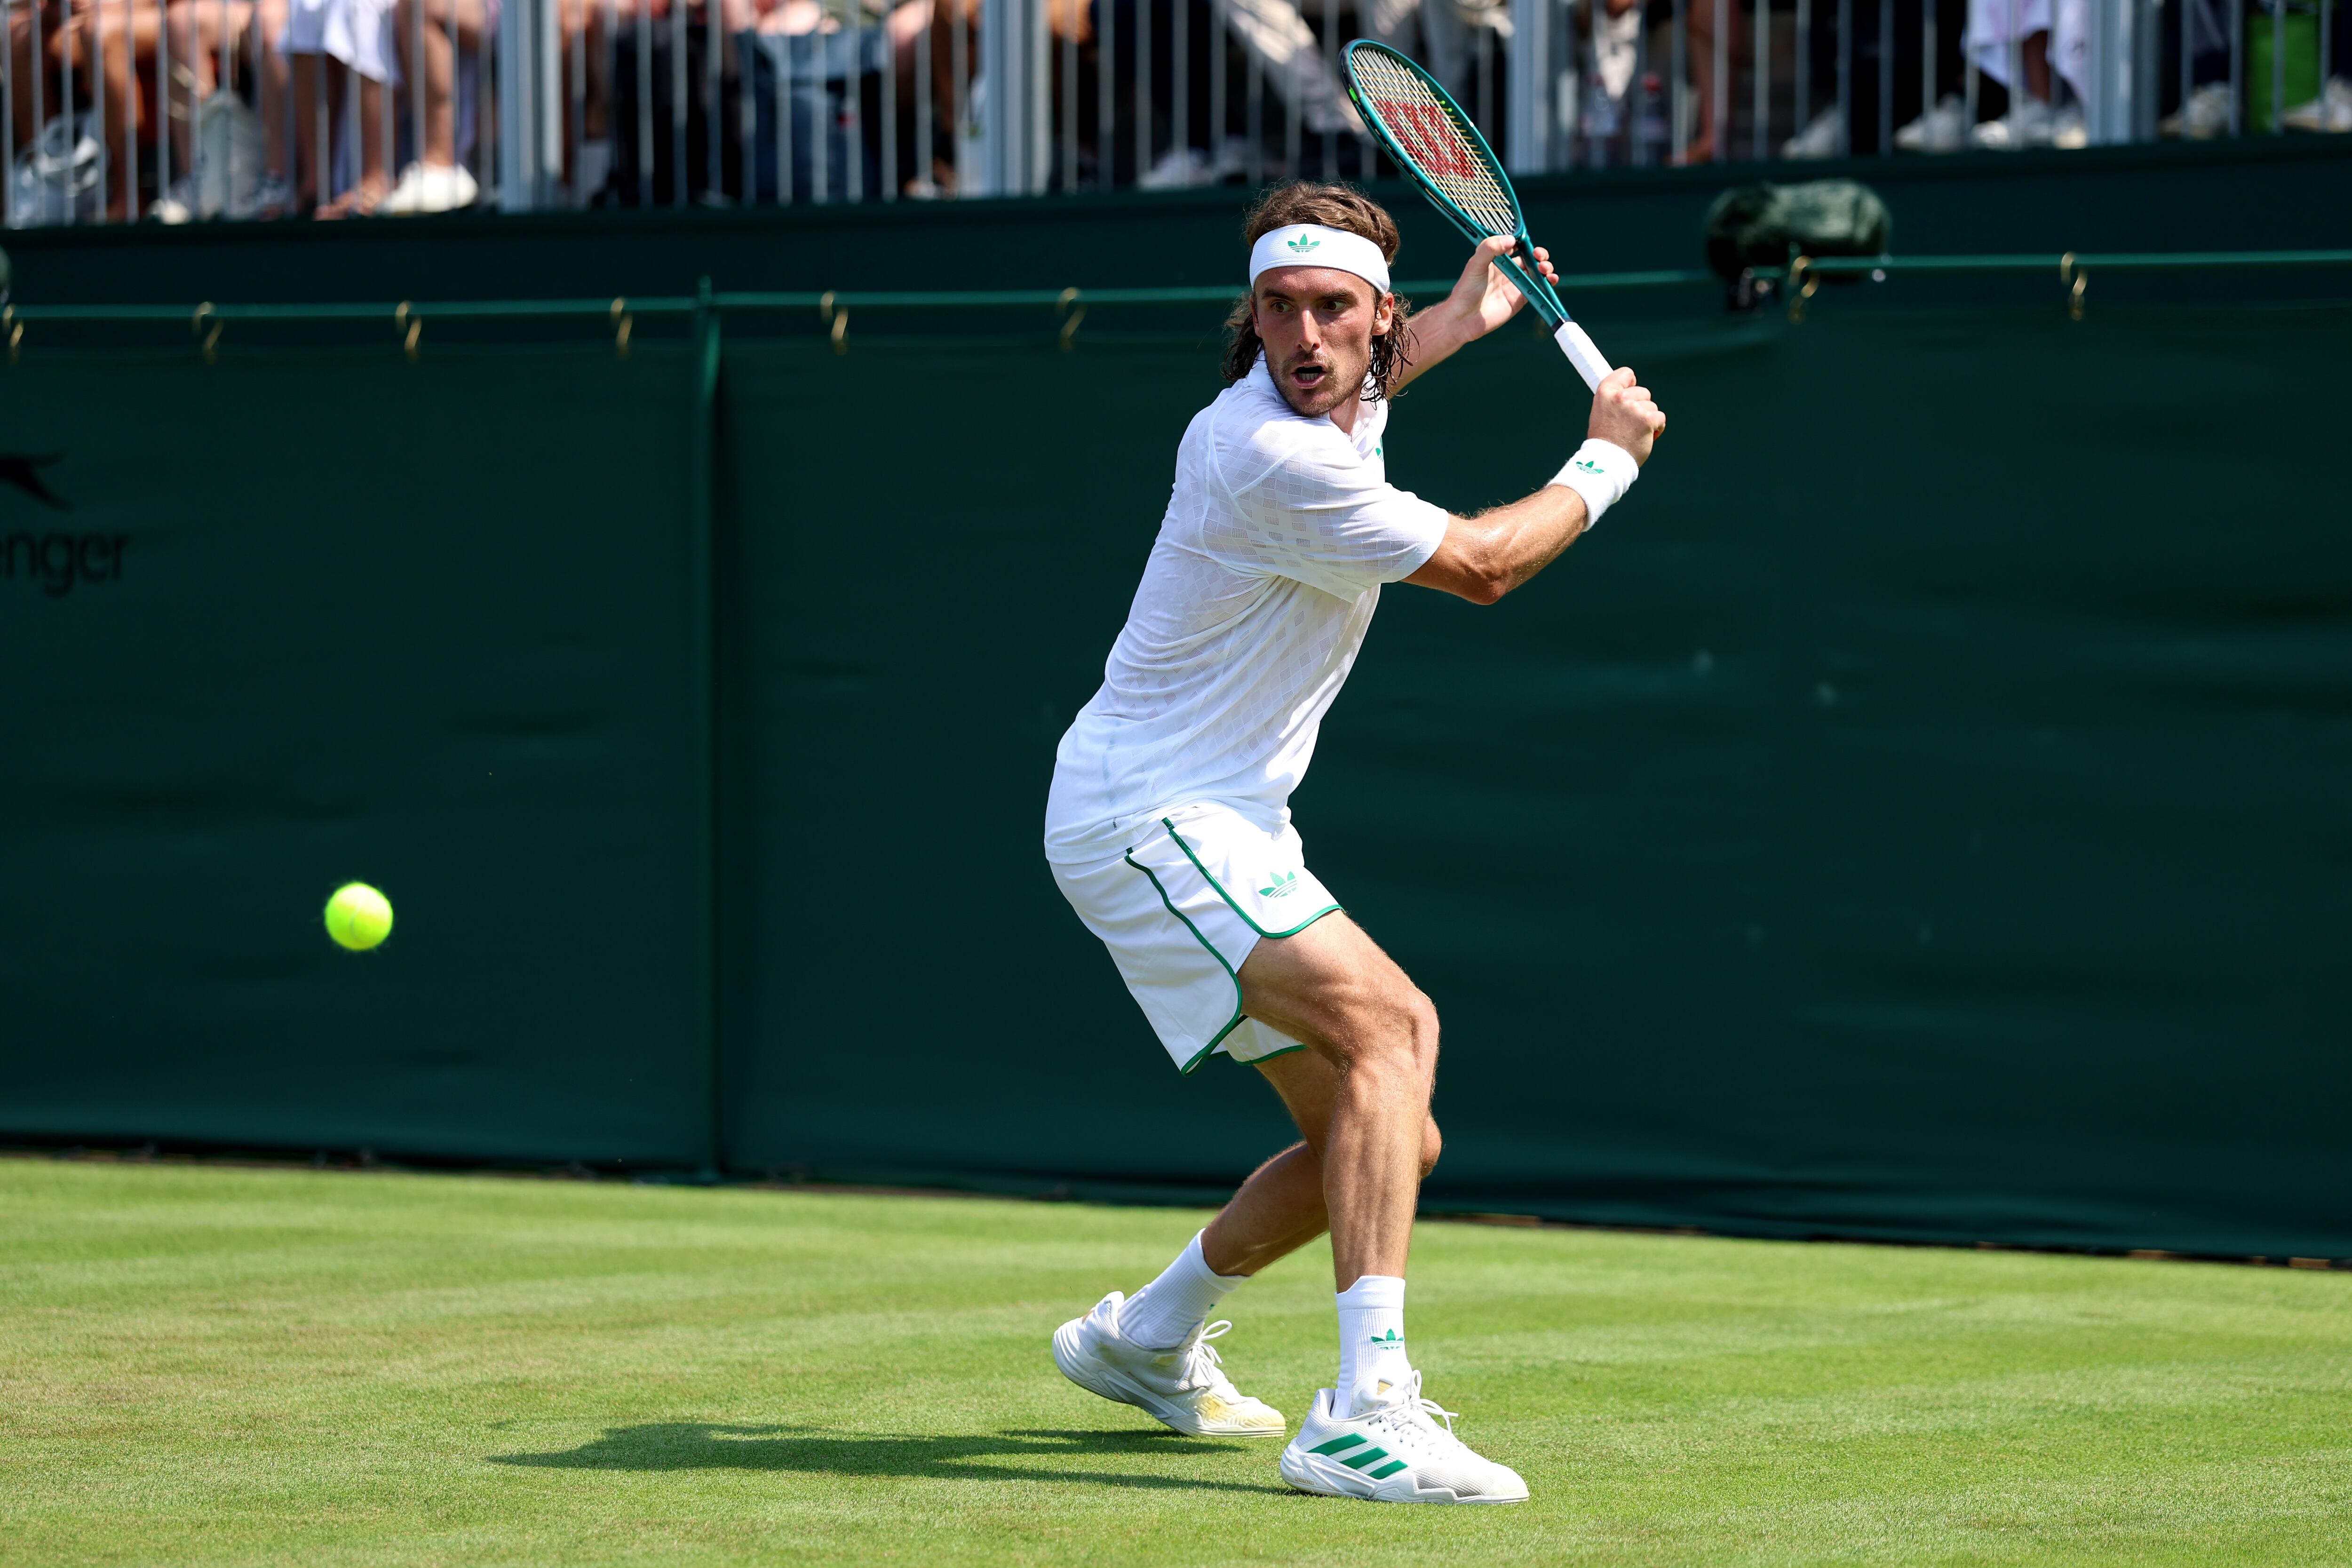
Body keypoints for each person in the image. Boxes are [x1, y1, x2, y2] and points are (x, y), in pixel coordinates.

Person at [1041, 181, 1665, 1505]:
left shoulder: (1340, 393)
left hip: (1201, 816)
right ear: (1251, 318)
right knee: (1397, 1031)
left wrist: (1463, 317)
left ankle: (1142, 1338)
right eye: (1278, 310)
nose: (1304, 338)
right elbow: (1490, 565)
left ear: (1373, 323)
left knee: (1384, 1145)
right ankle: (1365, 1412)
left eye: (1335, 311)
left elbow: (1380, 374)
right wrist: (1604, 457)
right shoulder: (1269, 452)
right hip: (1152, 810)